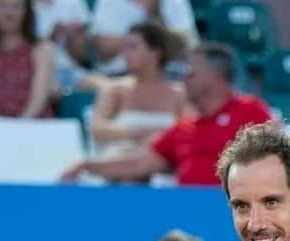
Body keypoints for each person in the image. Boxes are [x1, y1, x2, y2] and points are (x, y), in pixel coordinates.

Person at [61, 43, 271, 185]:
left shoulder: (250, 111)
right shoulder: (183, 128)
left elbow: (279, 161)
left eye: (191, 74)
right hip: (188, 221)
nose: (184, 80)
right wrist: (87, 165)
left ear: (214, 76)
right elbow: (138, 164)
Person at [90, 21, 186, 156]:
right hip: (119, 161)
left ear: (155, 52)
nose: (125, 54)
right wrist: (141, 135)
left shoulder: (179, 93)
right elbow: (97, 129)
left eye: (132, 47)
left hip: (164, 160)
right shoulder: (114, 89)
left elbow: (189, 131)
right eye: (124, 48)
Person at [0, 0, 55, 127]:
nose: (9, 13)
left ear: (26, 11)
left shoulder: (42, 49)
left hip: (34, 127)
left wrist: (16, 129)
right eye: (3, 6)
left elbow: (39, 97)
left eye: (16, 7)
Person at [90, 0, 197, 75]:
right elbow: (103, 50)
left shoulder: (175, 2)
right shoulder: (109, 2)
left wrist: (154, 13)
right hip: (118, 74)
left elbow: (183, 48)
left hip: (167, 74)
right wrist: (139, 43)